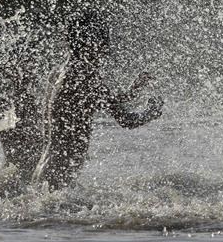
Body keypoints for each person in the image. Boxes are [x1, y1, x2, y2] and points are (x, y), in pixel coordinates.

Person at [34, 11, 163, 191]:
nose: (105, 50)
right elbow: (126, 120)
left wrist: (131, 92)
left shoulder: (59, 72)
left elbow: (93, 101)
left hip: (45, 173)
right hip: (58, 179)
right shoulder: (85, 77)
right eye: (103, 41)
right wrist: (152, 112)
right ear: (93, 43)